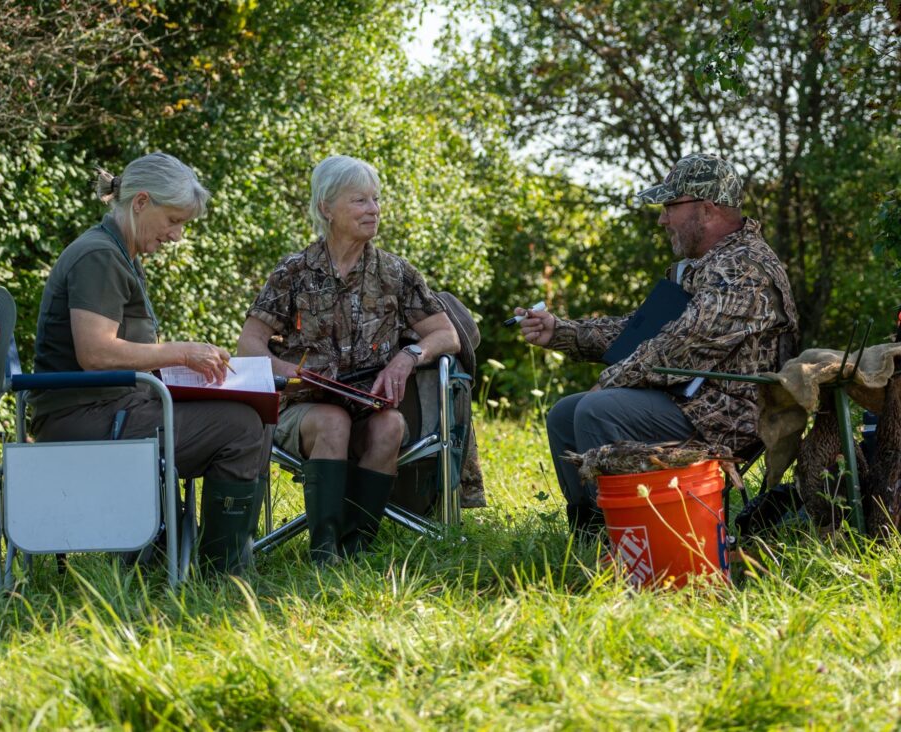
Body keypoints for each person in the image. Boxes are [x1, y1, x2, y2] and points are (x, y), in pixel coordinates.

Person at [518, 153, 799, 537]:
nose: (662, 218)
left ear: (707, 209)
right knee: (565, 414)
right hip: (690, 400)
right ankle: (591, 536)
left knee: (596, 411)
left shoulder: (743, 269)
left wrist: (613, 379)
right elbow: (645, 331)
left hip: (730, 415)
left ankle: (632, 538)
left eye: (670, 206)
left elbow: (681, 345)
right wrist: (562, 331)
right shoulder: (708, 263)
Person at [29, 152, 266, 575]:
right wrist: (182, 353)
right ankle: (223, 575)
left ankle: (165, 553)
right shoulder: (99, 256)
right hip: (84, 419)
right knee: (243, 427)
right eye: (173, 220)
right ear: (141, 202)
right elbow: (96, 353)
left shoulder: (119, 253)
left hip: (108, 410)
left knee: (246, 413)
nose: (176, 236)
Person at [238, 154, 460, 563]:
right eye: (360, 201)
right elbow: (249, 344)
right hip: (303, 408)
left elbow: (446, 335)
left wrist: (408, 357)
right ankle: (325, 553)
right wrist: (289, 371)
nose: (373, 210)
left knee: (390, 426)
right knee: (333, 421)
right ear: (327, 208)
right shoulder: (293, 271)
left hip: (369, 405)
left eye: (376, 200)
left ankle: (357, 549)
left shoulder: (397, 273)